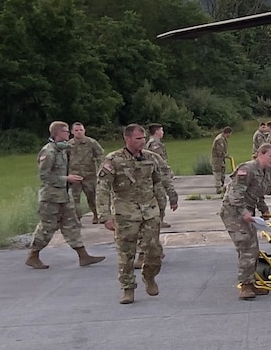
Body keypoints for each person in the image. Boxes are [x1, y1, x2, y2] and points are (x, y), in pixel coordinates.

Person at [97, 123, 174, 304]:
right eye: (139, 138)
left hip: (149, 211)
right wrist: (105, 216)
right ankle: (127, 288)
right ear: (128, 139)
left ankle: (149, 275)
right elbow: (102, 189)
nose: (143, 141)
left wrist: (167, 201)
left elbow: (157, 182)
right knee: (126, 253)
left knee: (154, 249)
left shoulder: (150, 158)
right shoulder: (113, 160)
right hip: (126, 213)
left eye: (144, 138)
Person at [26, 121, 104, 270]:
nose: (69, 134)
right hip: (51, 198)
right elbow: (44, 176)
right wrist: (66, 179)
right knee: (47, 227)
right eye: (66, 132)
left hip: (63, 196)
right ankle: (33, 255)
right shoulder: (48, 152)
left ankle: (83, 256)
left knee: (71, 224)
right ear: (58, 133)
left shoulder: (61, 150)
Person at [222, 142, 271, 300]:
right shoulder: (247, 169)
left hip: (247, 212)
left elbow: (257, 194)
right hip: (233, 212)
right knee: (246, 246)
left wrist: (264, 209)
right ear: (261, 154)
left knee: (253, 248)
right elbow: (235, 194)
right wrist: (243, 212)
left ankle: (250, 282)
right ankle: (245, 286)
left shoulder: (264, 172)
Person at [68, 121, 105, 223]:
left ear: (84, 131)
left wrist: (100, 168)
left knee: (92, 197)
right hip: (74, 176)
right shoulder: (68, 145)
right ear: (72, 132)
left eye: (81, 130)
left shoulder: (91, 142)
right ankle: (77, 219)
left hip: (89, 175)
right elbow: (64, 159)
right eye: (76, 130)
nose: (79, 132)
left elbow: (100, 154)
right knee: (75, 200)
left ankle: (97, 215)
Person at [145, 124, 175, 232]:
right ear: (157, 131)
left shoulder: (153, 143)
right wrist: (167, 171)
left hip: (157, 173)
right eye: (161, 130)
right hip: (159, 174)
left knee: (159, 197)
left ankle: (159, 219)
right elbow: (158, 160)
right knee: (161, 198)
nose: (163, 132)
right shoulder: (155, 144)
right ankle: (159, 220)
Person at [210, 125, 233, 195]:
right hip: (217, 160)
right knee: (218, 173)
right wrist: (227, 156)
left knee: (222, 174)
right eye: (230, 133)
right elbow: (219, 151)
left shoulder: (223, 139)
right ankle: (218, 188)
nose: (230, 135)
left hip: (221, 160)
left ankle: (221, 187)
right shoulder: (219, 139)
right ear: (228, 133)